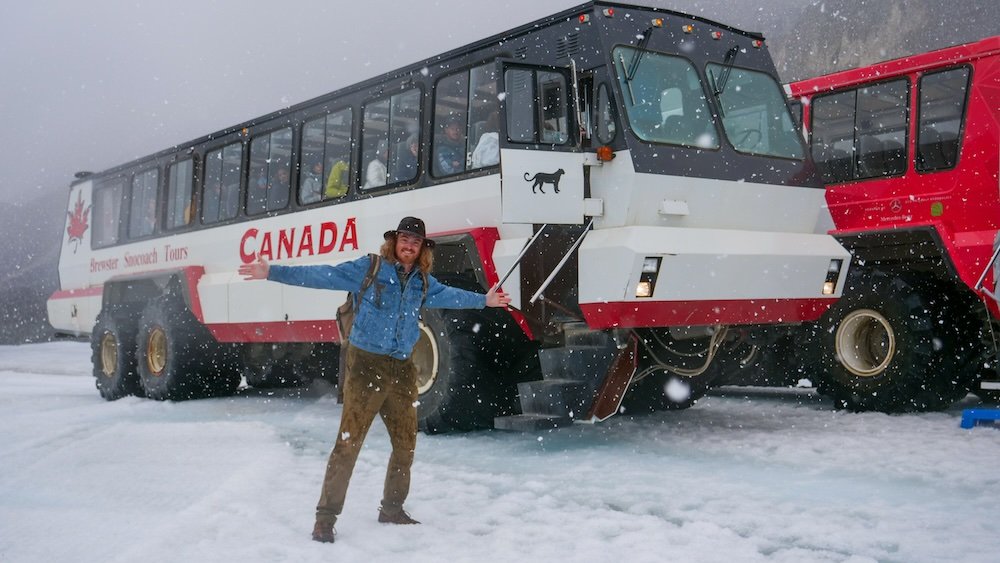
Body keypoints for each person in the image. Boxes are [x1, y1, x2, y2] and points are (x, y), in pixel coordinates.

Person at [238, 216, 511, 544]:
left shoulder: (423, 282)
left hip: (402, 369)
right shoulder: (369, 268)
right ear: (394, 242)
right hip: (366, 366)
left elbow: (452, 296)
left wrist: (485, 300)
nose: (409, 245)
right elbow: (322, 275)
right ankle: (325, 519)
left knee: (405, 443)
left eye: (415, 241)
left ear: (422, 248)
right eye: (404, 239)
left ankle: (392, 509)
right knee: (349, 442)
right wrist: (273, 272)